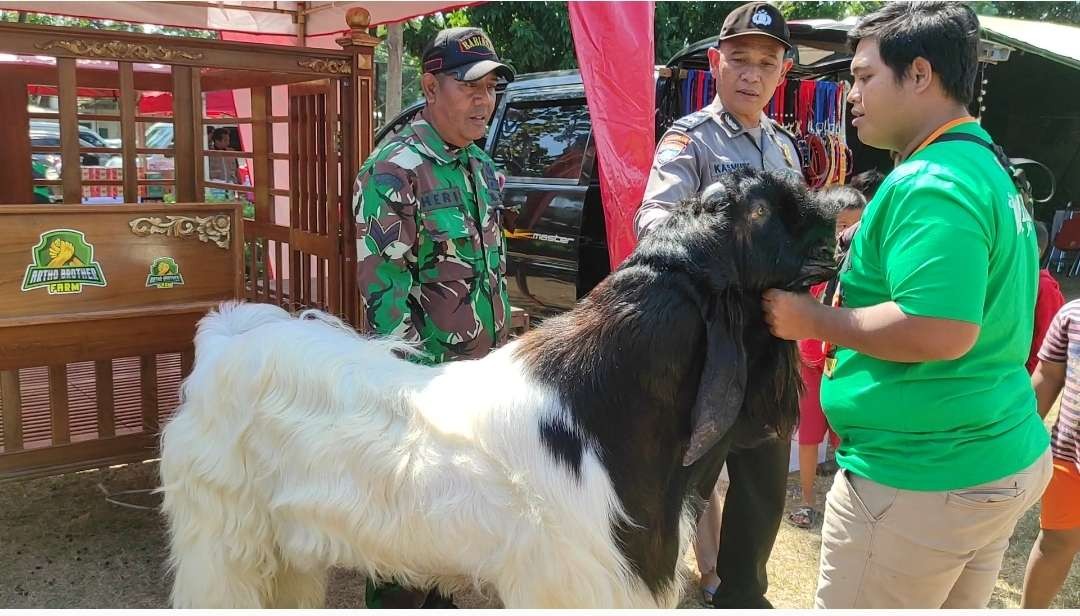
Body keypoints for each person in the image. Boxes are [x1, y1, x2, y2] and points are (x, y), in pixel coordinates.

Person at [762, 2, 1051, 608]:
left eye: (865, 77)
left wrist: (812, 318)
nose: (850, 95)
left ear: (919, 75)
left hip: (923, 481)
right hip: (988, 456)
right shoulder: (984, 165)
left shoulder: (932, 181)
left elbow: (939, 328)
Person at [634, 2, 800, 607]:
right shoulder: (690, 139)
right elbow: (653, 225)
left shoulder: (785, 148)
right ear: (715, 63)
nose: (751, 75)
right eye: (739, 60)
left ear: (782, 73)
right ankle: (665, 593)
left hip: (771, 354)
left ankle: (741, 596)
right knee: (680, 497)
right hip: (707, 356)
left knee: (761, 500)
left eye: (766, 62)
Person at [352, 26, 515, 607]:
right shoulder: (394, 171)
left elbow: (492, 273)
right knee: (401, 540)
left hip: (479, 388)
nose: (484, 100)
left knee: (449, 538)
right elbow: (385, 303)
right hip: (421, 397)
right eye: (470, 87)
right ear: (429, 86)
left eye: (492, 87)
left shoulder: (480, 168)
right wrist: (420, 397)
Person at [786, 185, 866, 530]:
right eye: (840, 225)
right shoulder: (808, 262)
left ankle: (845, 504)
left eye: (856, 224)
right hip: (810, 364)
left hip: (846, 363)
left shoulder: (866, 267)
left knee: (843, 435)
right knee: (808, 434)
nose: (847, 233)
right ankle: (806, 503)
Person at [1022, 299, 1080, 607]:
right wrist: (1020, 439)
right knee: (1056, 543)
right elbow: (1048, 376)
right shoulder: (1072, 316)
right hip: (1069, 459)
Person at [1028, 221, 1064, 374]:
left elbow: (1044, 340)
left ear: (1035, 251)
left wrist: (1029, 375)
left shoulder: (1044, 287)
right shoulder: (1022, 283)